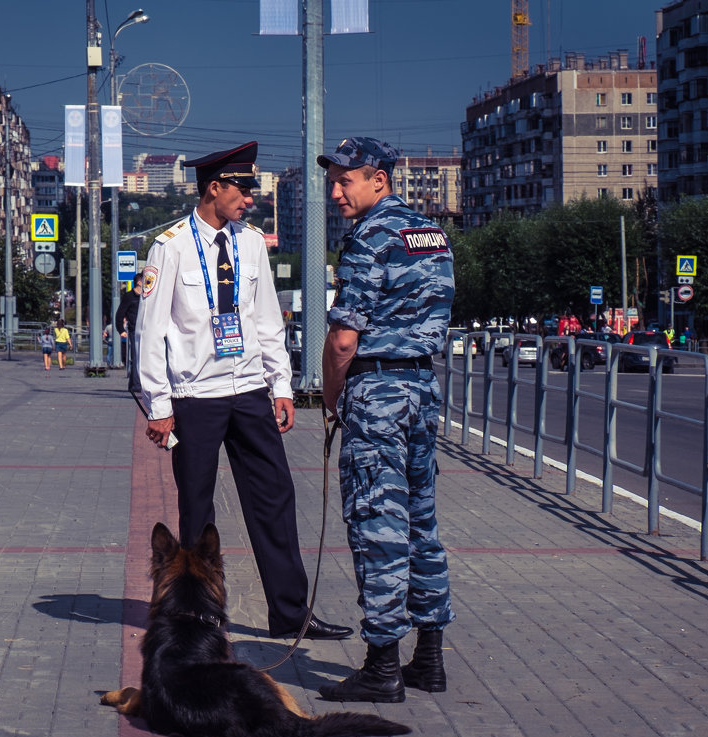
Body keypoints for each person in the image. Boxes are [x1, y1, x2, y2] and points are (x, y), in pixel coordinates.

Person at [135, 140, 352, 641]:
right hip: (195, 397)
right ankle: (194, 614)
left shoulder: (250, 242)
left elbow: (267, 321)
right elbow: (151, 333)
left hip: (250, 390)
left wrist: (281, 385)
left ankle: (291, 614)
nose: (249, 198)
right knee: (197, 509)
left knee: (275, 496)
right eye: (243, 188)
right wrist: (160, 406)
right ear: (215, 188)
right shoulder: (169, 249)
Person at [316, 137, 455, 704]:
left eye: (344, 180)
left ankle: (380, 669)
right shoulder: (431, 233)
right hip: (422, 388)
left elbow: (344, 339)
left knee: (378, 523)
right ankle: (429, 660)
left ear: (378, 179)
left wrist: (330, 396)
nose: (335, 191)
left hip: (376, 391)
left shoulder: (370, 235)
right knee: (421, 521)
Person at [115, 277, 142, 393]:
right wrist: (121, 330)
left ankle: (133, 384)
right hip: (134, 329)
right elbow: (120, 314)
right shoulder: (129, 297)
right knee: (136, 357)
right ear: (139, 282)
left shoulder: (147, 296)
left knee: (142, 357)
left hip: (146, 329)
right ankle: (136, 385)